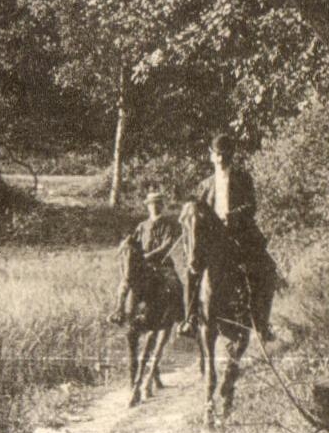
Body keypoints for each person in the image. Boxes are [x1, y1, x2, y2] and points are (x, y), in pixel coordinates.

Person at [183, 135, 276, 341]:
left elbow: (251, 206)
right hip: (213, 238)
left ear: (231, 156)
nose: (221, 159)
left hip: (240, 234)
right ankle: (190, 319)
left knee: (267, 269)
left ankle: (262, 323)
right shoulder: (205, 185)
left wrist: (232, 216)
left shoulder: (243, 178)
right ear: (211, 156)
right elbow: (198, 211)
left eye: (225, 155)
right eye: (217, 154)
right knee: (191, 269)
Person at [113, 191, 180, 326]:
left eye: (157, 204)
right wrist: (125, 243)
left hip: (162, 263)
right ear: (148, 206)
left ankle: (179, 316)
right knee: (125, 281)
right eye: (151, 204)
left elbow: (166, 245)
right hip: (142, 263)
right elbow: (133, 240)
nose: (154, 207)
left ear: (162, 206)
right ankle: (118, 311)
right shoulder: (143, 225)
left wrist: (149, 255)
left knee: (174, 283)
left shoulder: (168, 224)